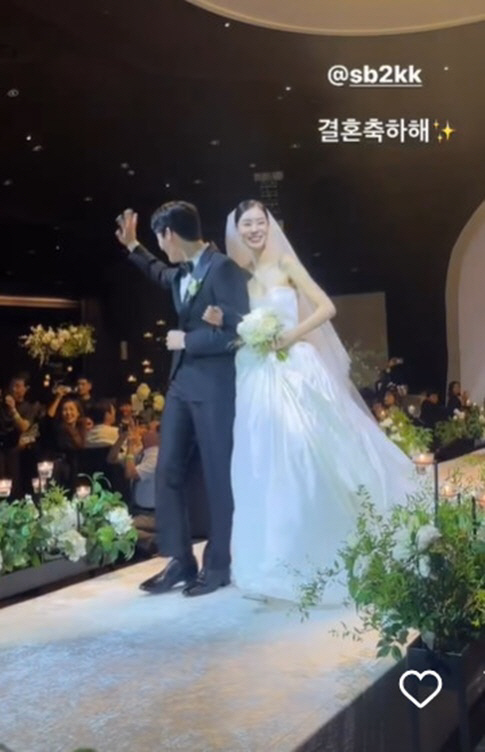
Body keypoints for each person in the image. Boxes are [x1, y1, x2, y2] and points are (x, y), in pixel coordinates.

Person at [204, 200, 417, 603]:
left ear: (269, 225)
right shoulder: (239, 276)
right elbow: (236, 324)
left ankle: (327, 547)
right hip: (257, 374)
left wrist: (291, 335)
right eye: (247, 224)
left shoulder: (285, 264)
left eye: (259, 222)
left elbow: (326, 307)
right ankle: (272, 561)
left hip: (296, 367)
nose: (254, 230)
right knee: (261, 462)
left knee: (308, 452)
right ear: (237, 231)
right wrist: (228, 325)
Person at [115, 202, 249, 596]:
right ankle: (180, 560)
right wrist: (134, 247)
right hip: (180, 385)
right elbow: (159, 272)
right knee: (167, 470)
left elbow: (237, 332)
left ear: (169, 234)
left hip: (215, 388)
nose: (161, 247)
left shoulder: (223, 269)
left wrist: (188, 340)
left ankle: (219, 563)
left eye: (159, 239)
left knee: (218, 476)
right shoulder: (181, 273)